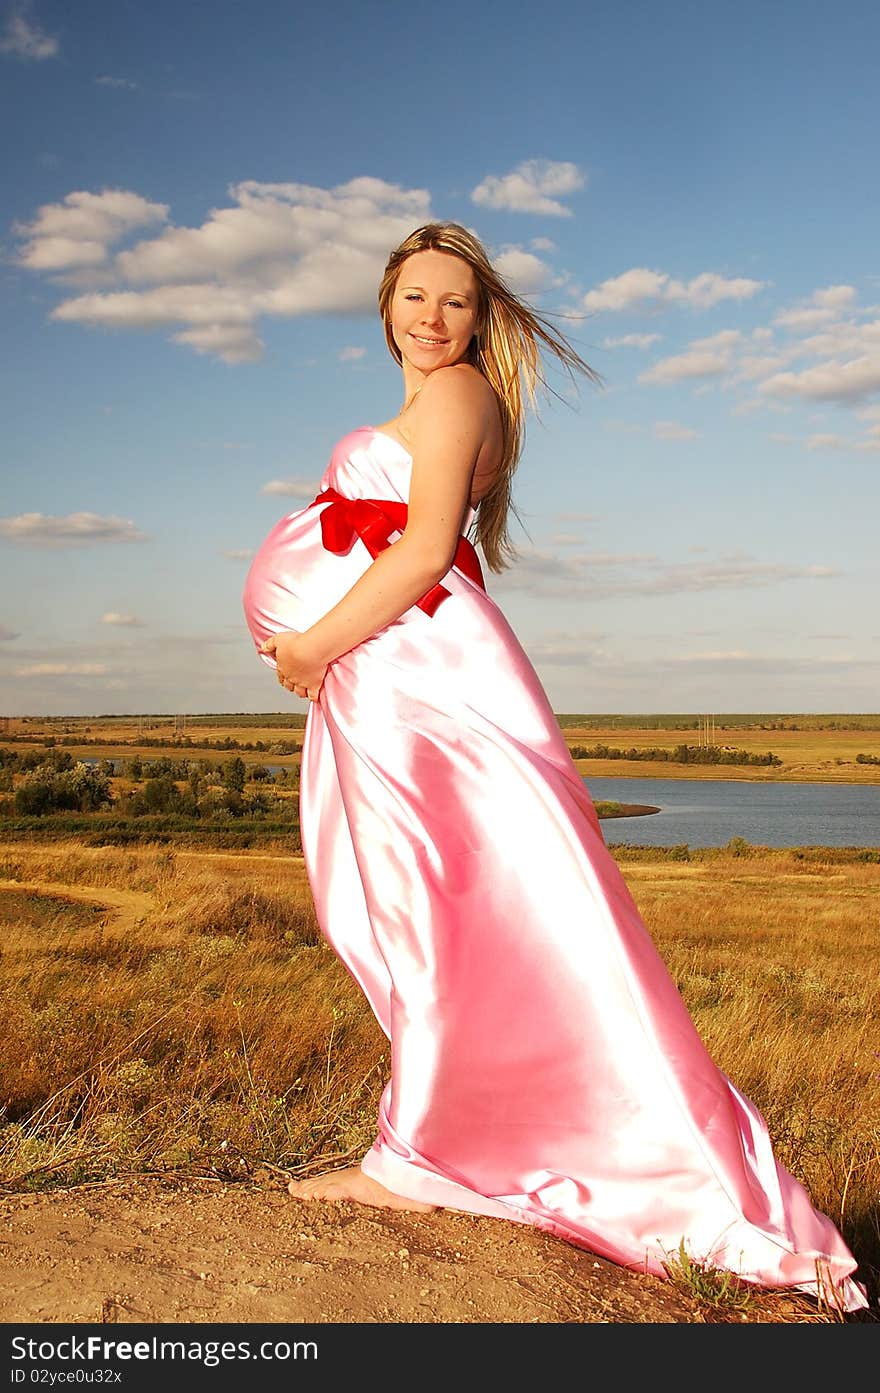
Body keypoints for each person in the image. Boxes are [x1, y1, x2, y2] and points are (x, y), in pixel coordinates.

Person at [242, 221, 868, 1313]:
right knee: (443, 916)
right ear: (384, 309)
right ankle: (452, 1137)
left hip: (417, 681)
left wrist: (309, 643)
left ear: (481, 320)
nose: (433, 318)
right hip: (403, 680)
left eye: (455, 302)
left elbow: (427, 548)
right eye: (415, 298)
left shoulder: (457, 398)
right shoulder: (434, 403)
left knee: (442, 916)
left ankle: (414, 1161)